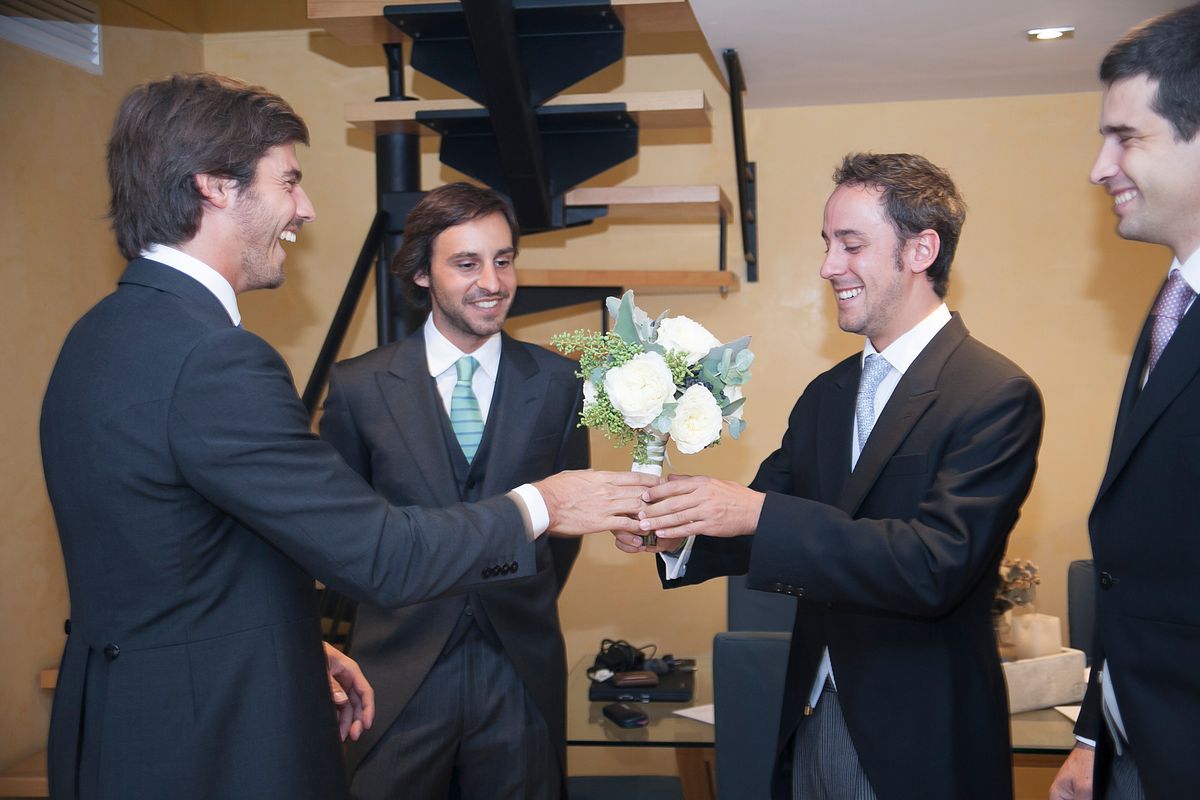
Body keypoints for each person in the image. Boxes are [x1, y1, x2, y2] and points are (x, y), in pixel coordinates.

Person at [39, 72, 654, 800]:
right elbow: (378, 555)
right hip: (206, 737)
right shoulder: (217, 358)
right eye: (288, 181)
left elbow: (184, 558)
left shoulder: (97, 335)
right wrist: (543, 504)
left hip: (127, 720)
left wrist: (293, 641)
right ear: (215, 187)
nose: (304, 208)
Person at [620, 153, 1044, 800]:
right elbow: (765, 515)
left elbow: (936, 564)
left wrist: (756, 513)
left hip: (922, 735)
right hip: (812, 717)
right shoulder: (827, 393)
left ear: (921, 250)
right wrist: (675, 532)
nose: (827, 267)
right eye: (826, 244)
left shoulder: (994, 394)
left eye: (851, 244)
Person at [320, 183, 586, 799]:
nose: (492, 282)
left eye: (503, 260)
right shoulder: (359, 388)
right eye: (467, 264)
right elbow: (337, 538)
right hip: (396, 669)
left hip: (519, 670)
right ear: (422, 272)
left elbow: (564, 528)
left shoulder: (559, 381)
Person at [1049, 6, 1200, 800]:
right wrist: (1092, 735)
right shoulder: (1173, 302)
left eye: (1126, 137)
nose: (1098, 167)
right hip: (1135, 741)